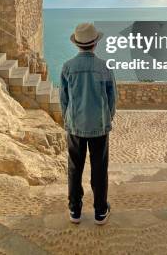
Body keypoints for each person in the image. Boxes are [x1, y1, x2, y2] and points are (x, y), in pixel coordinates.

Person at [59, 22, 117, 225]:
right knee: (99, 169)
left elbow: (63, 99)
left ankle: (75, 210)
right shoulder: (104, 67)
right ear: (95, 44)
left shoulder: (68, 67)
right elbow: (112, 98)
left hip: (75, 126)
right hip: (99, 126)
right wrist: (107, 118)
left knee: (75, 168)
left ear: (77, 44)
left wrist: (68, 119)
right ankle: (100, 212)